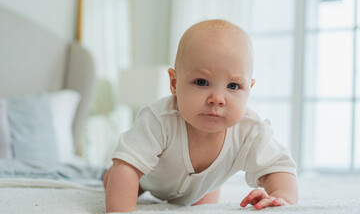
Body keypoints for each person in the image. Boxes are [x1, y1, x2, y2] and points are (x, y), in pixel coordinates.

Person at [103, 19, 298, 213]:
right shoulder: (159, 120)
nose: (217, 99)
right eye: (202, 82)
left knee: (204, 207)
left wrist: (280, 197)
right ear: (174, 83)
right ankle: (109, 175)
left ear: (249, 89)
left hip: (203, 189)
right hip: (148, 179)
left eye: (233, 86)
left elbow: (279, 166)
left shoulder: (250, 130)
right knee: (117, 180)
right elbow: (128, 166)